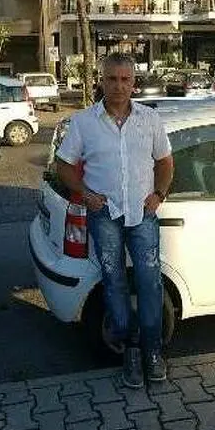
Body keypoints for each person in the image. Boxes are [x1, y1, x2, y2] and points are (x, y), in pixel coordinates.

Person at [56, 53, 174, 388]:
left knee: (150, 282)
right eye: (112, 79)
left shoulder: (150, 119)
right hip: (104, 215)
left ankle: (152, 350)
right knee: (114, 281)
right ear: (101, 80)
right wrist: (84, 193)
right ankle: (130, 349)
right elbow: (63, 165)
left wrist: (159, 194)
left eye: (125, 79)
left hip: (142, 214)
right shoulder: (83, 122)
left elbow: (165, 162)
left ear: (134, 82)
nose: (119, 86)